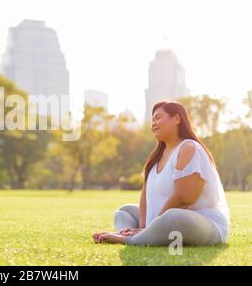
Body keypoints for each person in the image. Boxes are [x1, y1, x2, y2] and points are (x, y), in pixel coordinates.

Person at [93, 100, 230, 246]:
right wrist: (143, 226)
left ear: (176, 119)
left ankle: (131, 239)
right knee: (124, 211)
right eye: (152, 120)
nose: (153, 123)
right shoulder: (156, 156)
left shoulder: (189, 148)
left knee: (172, 217)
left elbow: (184, 198)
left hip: (202, 223)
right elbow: (144, 194)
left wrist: (154, 224)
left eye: (158, 118)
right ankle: (142, 234)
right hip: (161, 221)